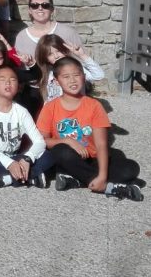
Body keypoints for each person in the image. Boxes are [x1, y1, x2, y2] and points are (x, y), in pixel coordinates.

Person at [36, 57, 143, 201]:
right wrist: (68, 141)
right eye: (66, 77)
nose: (72, 80)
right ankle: (108, 187)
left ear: (84, 77)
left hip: (92, 157)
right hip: (68, 157)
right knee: (60, 151)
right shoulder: (50, 107)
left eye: (76, 75)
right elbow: (42, 140)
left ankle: (79, 180)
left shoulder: (94, 106)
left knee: (131, 168)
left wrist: (103, 175)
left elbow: (101, 144)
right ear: (56, 81)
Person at [0, 65, 52, 189]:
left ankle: (4, 179)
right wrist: (9, 164)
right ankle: (31, 177)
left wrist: (27, 159)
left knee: (47, 156)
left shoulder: (22, 111)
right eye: (2, 79)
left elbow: (39, 141)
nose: (8, 83)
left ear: (18, 86)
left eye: (13, 79)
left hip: (14, 157)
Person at [34, 35, 104, 103]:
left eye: (58, 51)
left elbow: (98, 75)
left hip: (76, 108)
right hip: (54, 109)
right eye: (50, 54)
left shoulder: (75, 68)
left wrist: (82, 55)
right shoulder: (46, 74)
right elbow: (47, 99)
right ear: (45, 58)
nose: (56, 56)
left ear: (64, 50)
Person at [13, 0, 84, 59]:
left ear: (52, 9)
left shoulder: (68, 32)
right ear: (29, 10)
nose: (40, 8)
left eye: (45, 5)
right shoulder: (22, 37)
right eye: (34, 5)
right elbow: (19, 64)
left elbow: (81, 60)